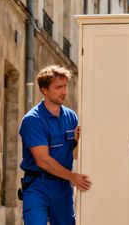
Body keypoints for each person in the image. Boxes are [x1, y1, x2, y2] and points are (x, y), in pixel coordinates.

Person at [19, 65, 91, 225]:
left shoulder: (71, 117)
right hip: (38, 186)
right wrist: (72, 176)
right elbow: (42, 160)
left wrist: (79, 142)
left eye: (65, 86)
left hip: (63, 188)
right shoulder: (33, 120)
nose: (64, 91)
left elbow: (74, 154)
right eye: (58, 87)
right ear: (44, 90)